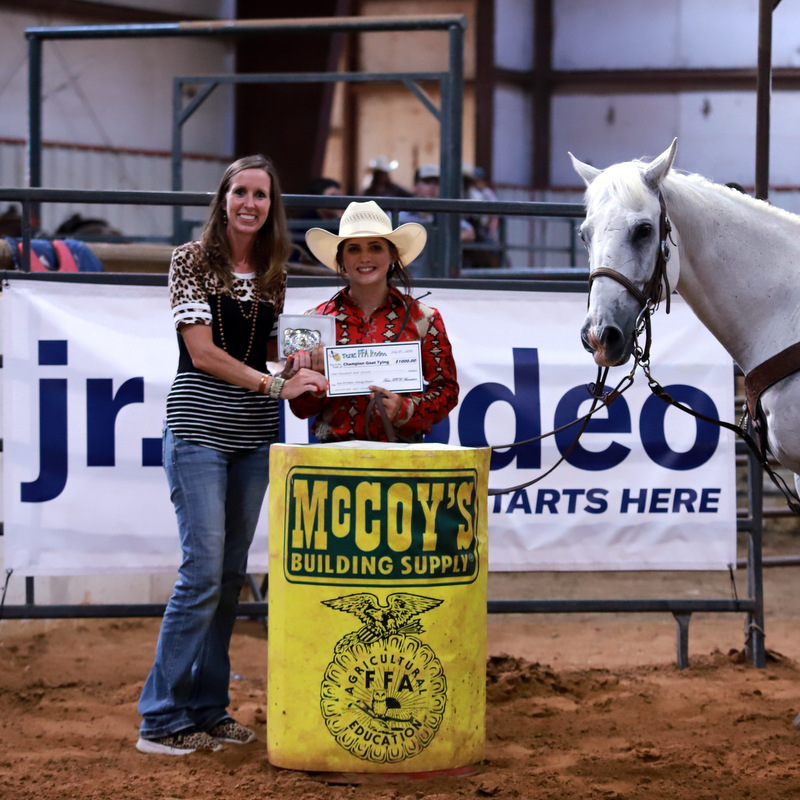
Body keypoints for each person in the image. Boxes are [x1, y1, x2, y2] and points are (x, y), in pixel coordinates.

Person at [136, 154, 327, 756]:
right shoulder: (189, 262)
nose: (249, 203)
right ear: (223, 199)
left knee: (226, 576)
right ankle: (160, 716)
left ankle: (206, 708)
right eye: (240, 192)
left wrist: (305, 360)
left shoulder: (274, 270)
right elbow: (202, 354)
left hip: (253, 433)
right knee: (201, 571)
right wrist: (277, 384)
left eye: (261, 195)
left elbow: (274, 345)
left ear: (272, 207)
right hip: (198, 427)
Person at [286, 199, 459, 442]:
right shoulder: (311, 322)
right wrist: (314, 387)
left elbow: (447, 392)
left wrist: (405, 409)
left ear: (393, 255)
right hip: (332, 460)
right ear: (341, 259)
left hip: (401, 459)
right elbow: (299, 409)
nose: (365, 257)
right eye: (354, 249)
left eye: (375, 247)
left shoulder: (425, 319)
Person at [398, 164, 475, 276]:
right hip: (408, 276)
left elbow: (469, 232)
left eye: (437, 183)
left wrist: (439, 239)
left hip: (437, 276)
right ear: (415, 186)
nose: (432, 187)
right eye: (427, 182)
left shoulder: (444, 212)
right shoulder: (400, 214)